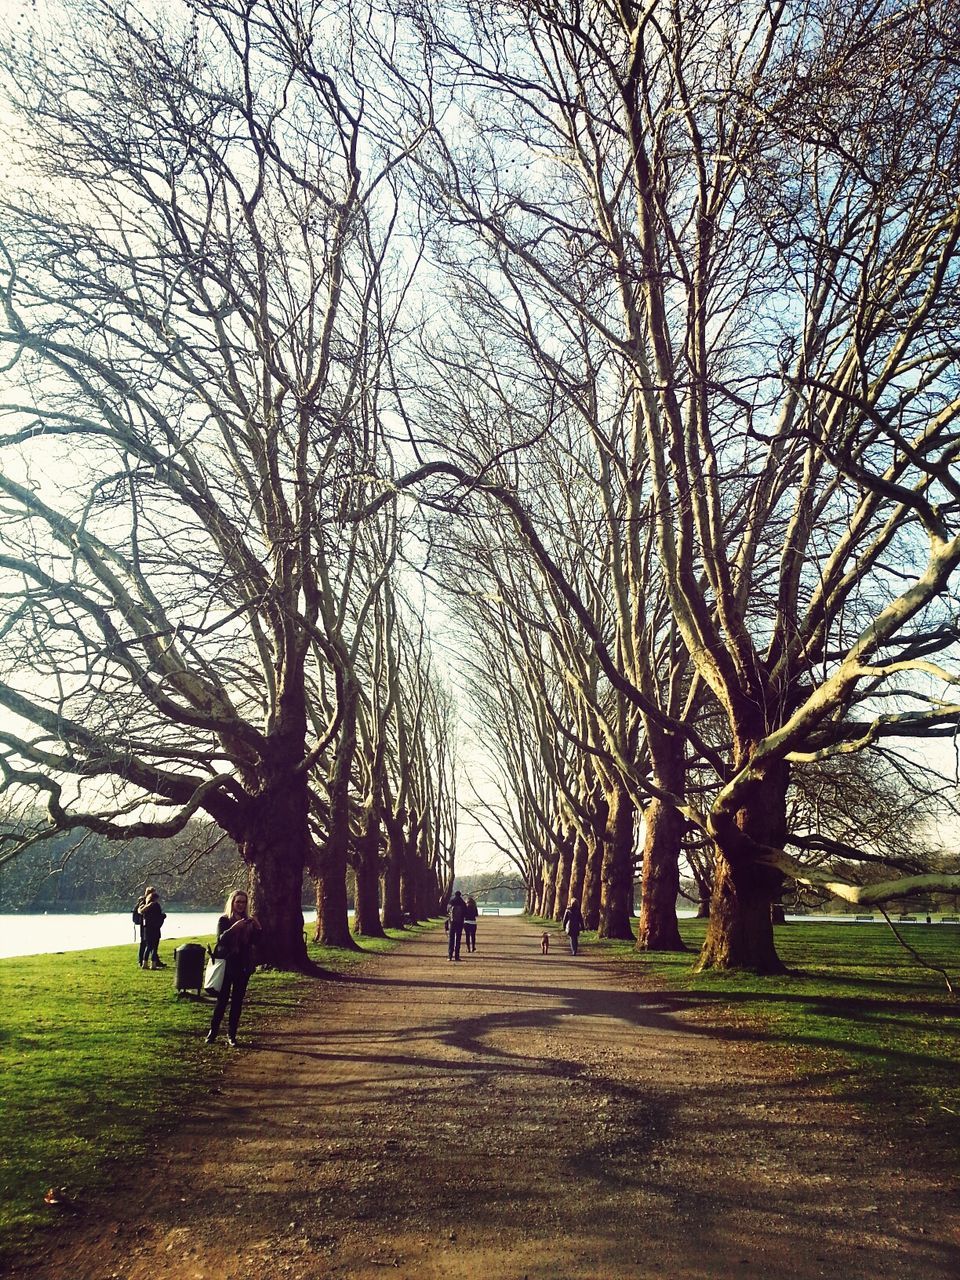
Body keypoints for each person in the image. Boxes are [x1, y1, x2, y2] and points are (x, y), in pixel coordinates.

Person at [206, 890, 261, 1047]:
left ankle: (232, 1035)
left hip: (243, 966)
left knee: (237, 1001)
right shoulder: (224, 920)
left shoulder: (248, 921)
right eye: (238, 902)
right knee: (222, 1000)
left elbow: (255, 942)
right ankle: (213, 1031)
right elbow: (221, 940)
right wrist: (234, 928)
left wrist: (258, 928)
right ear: (232, 903)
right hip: (227, 965)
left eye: (243, 902)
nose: (241, 905)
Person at [140, 889, 167, 969]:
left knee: (148, 947)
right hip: (155, 929)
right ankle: (153, 965)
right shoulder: (156, 906)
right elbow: (158, 917)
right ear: (155, 899)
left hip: (147, 930)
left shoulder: (145, 907)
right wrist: (163, 916)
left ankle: (144, 964)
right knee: (155, 947)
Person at [132, 887, 153, 969]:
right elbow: (140, 912)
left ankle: (153, 960)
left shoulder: (147, 901)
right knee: (144, 944)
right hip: (144, 926)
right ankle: (142, 960)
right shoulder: (144, 902)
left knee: (150, 944)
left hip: (146, 926)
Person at [446, 890, 467, 961]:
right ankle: (457, 956)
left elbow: (447, 912)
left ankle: (450, 956)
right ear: (460, 895)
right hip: (460, 923)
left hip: (452, 922)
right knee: (458, 939)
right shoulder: (462, 902)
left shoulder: (451, 902)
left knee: (451, 939)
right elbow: (465, 913)